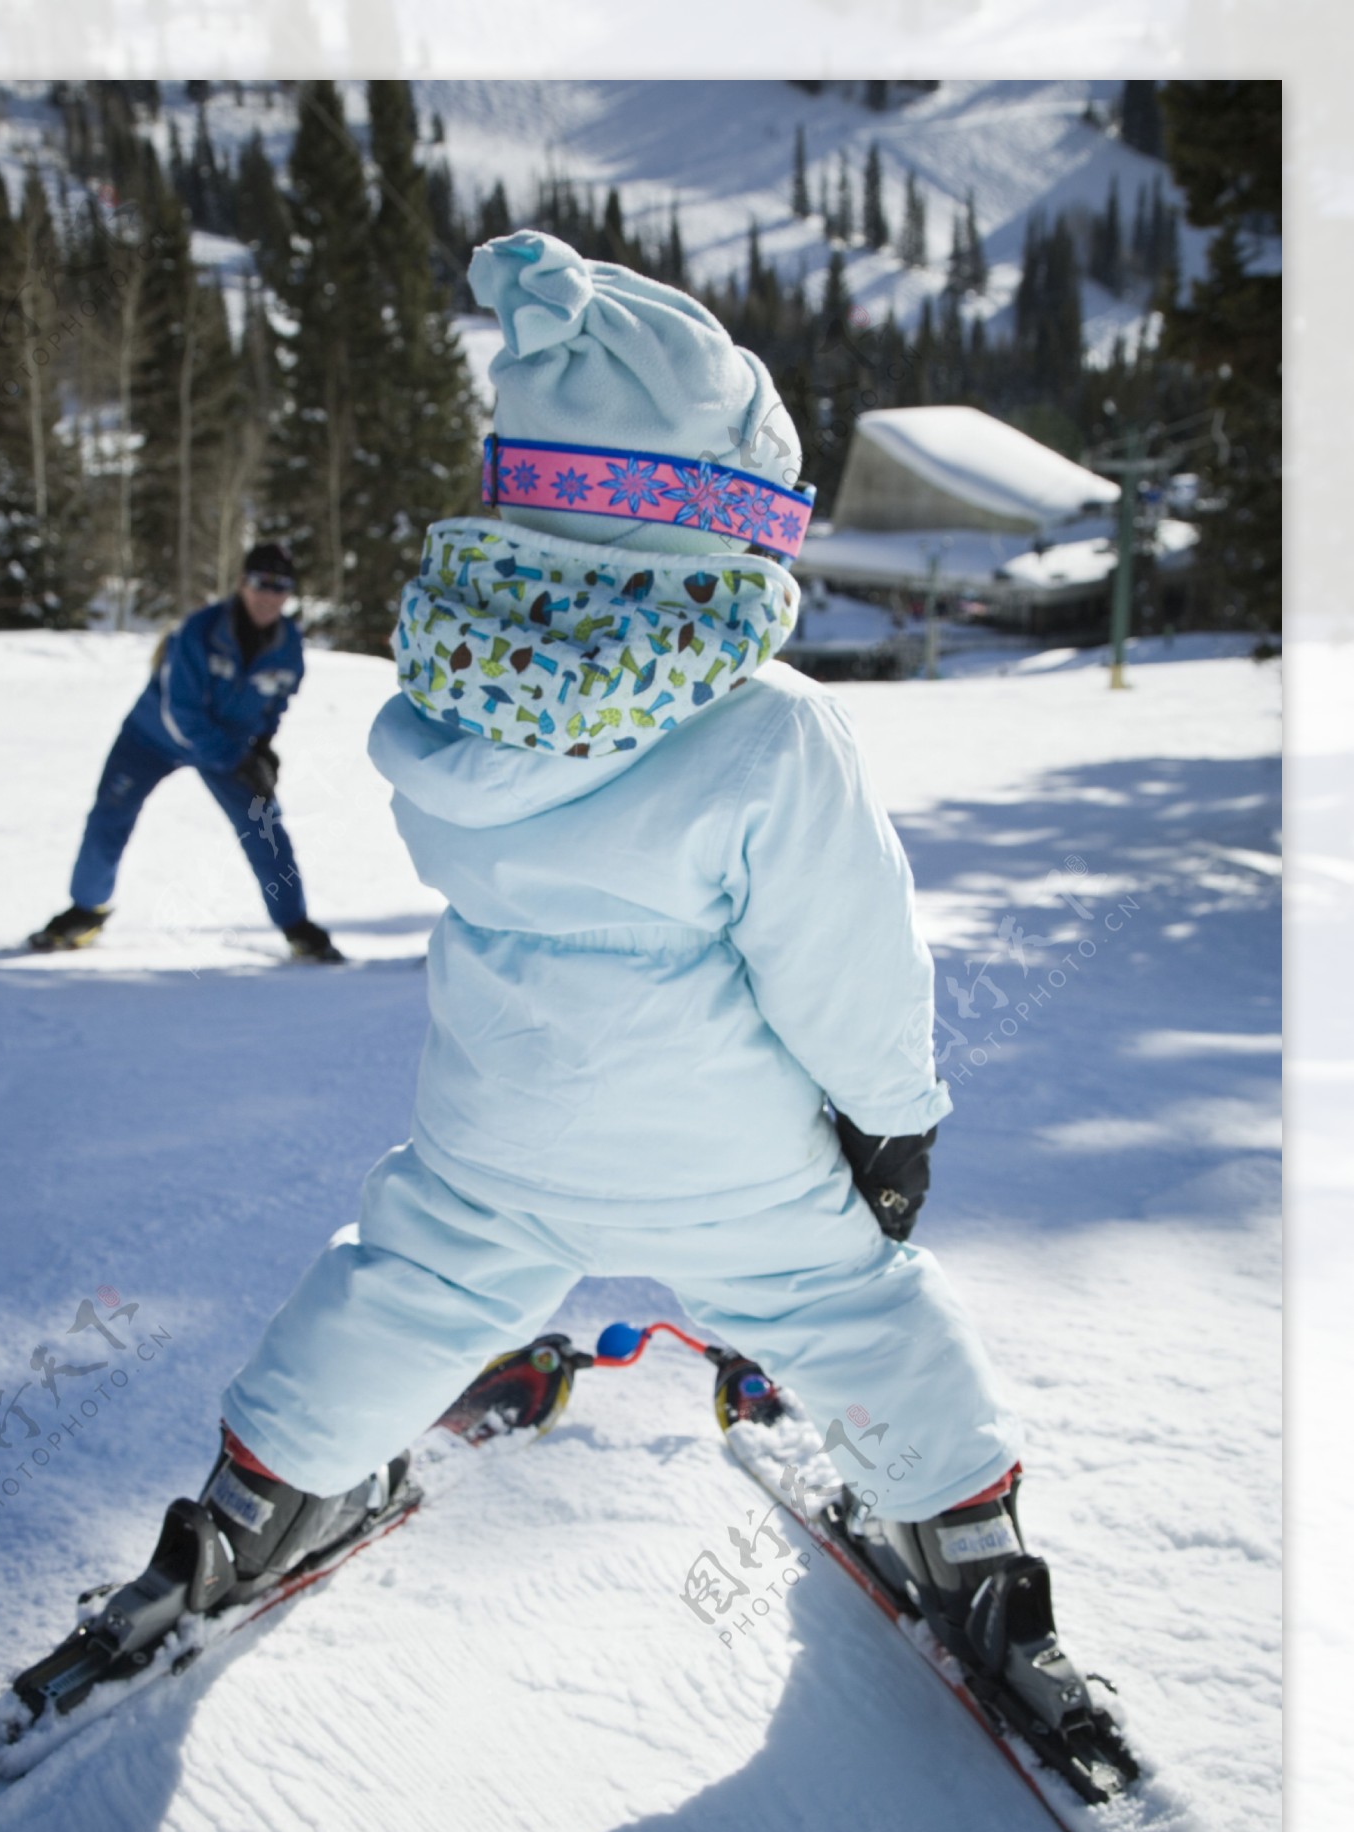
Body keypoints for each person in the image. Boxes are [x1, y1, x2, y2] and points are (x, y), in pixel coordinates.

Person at [94, 232, 1088, 1728]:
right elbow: (850, 962)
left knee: (403, 1284)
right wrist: (891, 1121)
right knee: (857, 1305)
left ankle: (251, 1505)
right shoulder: (769, 732)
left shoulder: (453, 710)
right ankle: (965, 1540)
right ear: (725, 518)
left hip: (495, 1141)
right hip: (728, 1168)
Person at [29, 542, 344, 963]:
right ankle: (86, 909)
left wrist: (263, 748)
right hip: (152, 738)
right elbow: (180, 715)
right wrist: (240, 759)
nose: (268, 596)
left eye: (280, 586)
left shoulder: (288, 645)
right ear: (241, 584)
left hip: (229, 747)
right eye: (260, 583)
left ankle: (296, 925)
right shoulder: (199, 631)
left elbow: (276, 700)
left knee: (265, 826)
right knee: (110, 815)